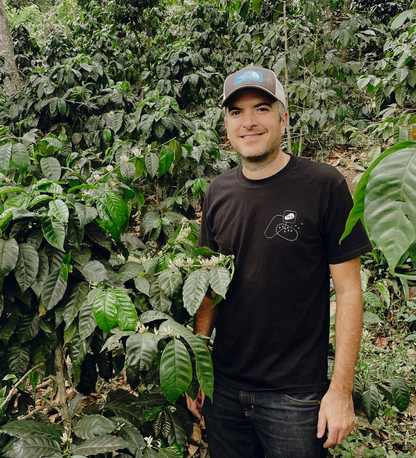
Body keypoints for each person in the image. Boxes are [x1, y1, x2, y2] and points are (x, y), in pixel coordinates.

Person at [186, 65, 373, 458]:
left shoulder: (324, 185)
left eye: (262, 108)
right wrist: (198, 368)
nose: (249, 122)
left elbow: (350, 291)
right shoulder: (217, 191)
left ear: (283, 118)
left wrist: (340, 392)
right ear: (226, 124)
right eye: (236, 112)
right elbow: (208, 287)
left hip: (297, 396)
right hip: (225, 390)